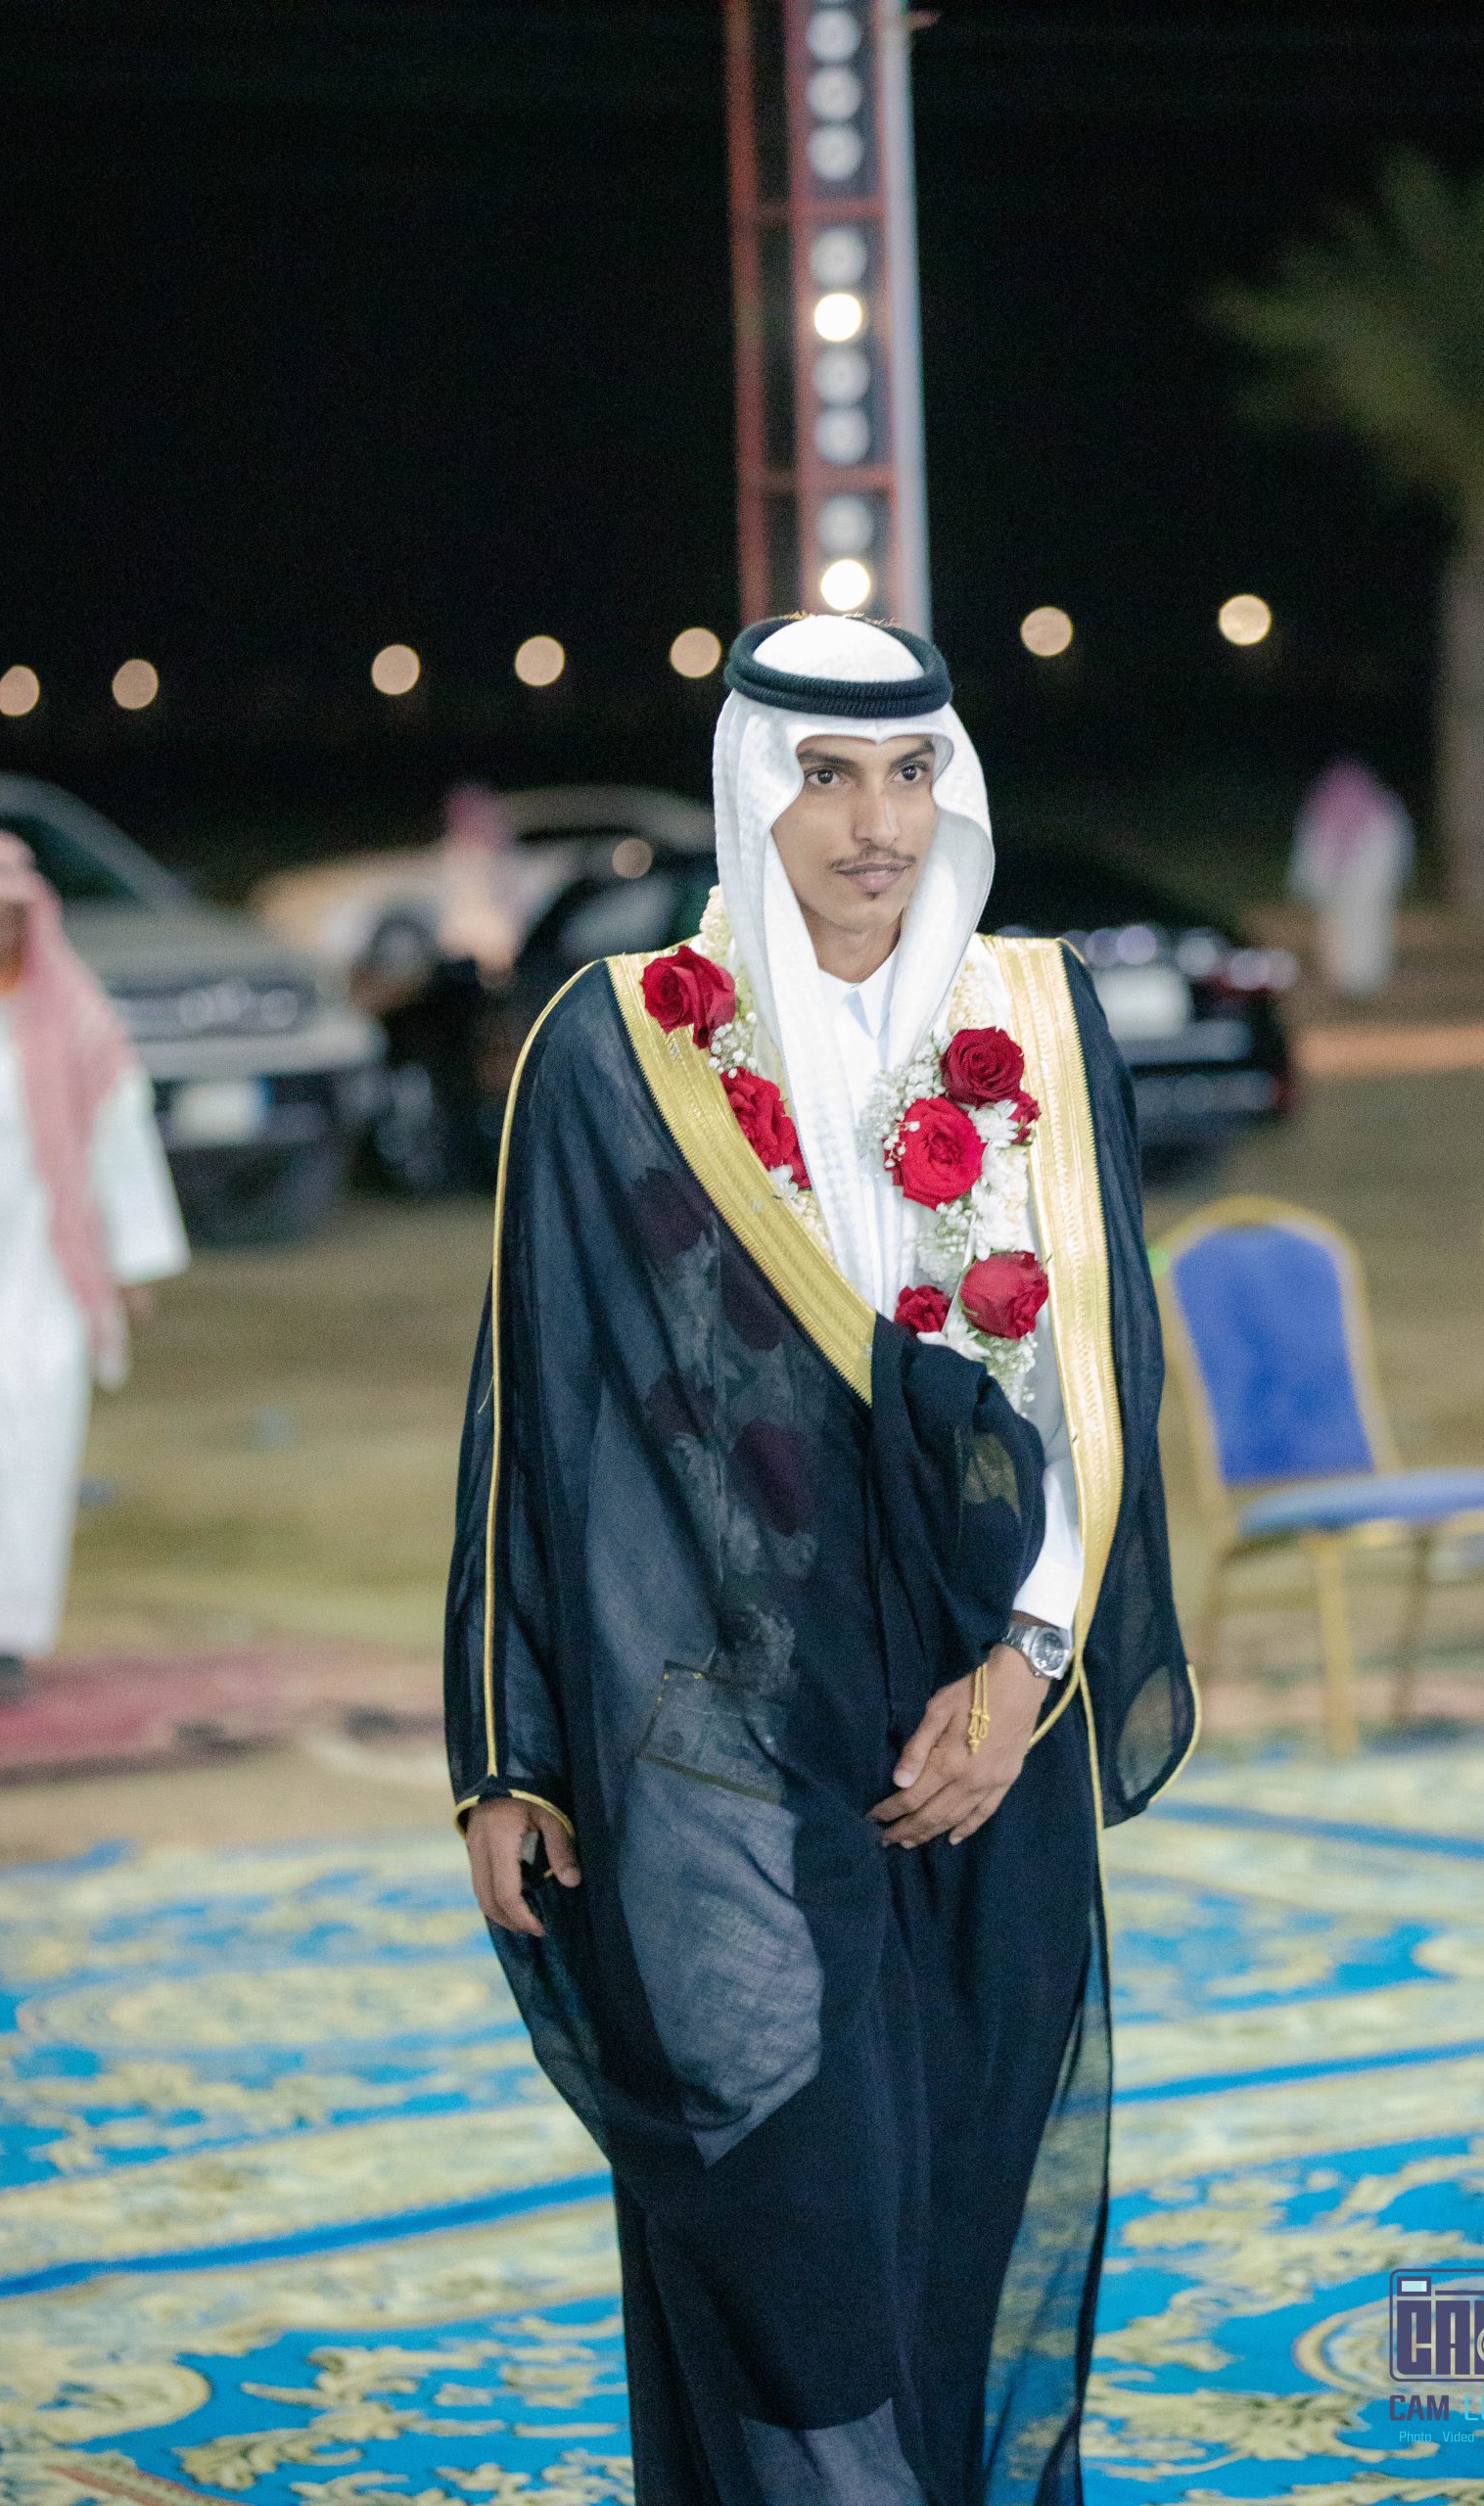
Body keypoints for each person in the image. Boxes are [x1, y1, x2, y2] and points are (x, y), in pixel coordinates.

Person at [445, 616, 1196, 2505]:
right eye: (828, 776)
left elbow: (1099, 1377)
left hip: (986, 1707)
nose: (877, 823)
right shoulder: (620, 1047)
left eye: (912, 771)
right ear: (747, 790)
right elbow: (541, 1405)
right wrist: (509, 1747)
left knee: (966, 2193)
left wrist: (1028, 1669)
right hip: (724, 1726)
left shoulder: (1040, 1015)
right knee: (780, 2205)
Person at [0, 829, 189, 1700]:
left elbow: (120, 1142)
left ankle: (2, 1637)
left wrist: (131, 1260)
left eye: (0, 919)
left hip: (32, 1274)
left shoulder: (72, 1018)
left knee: (23, 1443)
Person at [1290, 758, 1414, 996]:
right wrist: (1317, 885)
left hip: (1368, 890)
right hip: (1335, 890)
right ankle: (1341, 980)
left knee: (1368, 929)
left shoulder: (1382, 813)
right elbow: (1312, 852)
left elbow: (1392, 852)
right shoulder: (1323, 813)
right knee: (1334, 930)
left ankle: (1366, 981)